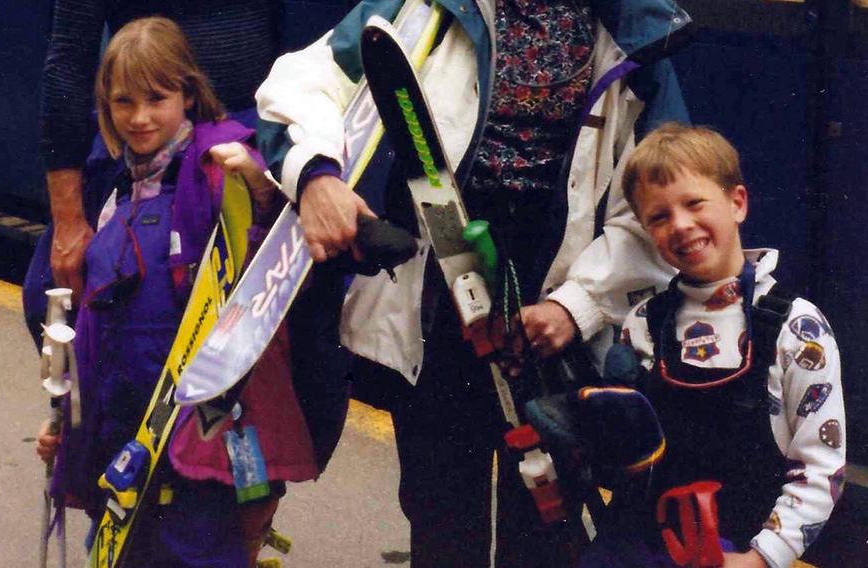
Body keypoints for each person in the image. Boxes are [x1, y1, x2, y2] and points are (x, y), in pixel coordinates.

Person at [254, 0, 692, 564]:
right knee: (441, 517)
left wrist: (577, 304)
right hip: (440, 299)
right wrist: (314, 176)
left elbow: (658, 208)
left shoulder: (639, 35)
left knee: (544, 525)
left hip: (554, 314)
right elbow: (300, 84)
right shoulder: (422, 7)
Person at [34, 17, 319, 566]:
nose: (139, 118)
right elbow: (91, 337)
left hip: (200, 446)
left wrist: (260, 187)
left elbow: (271, 261)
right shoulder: (113, 190)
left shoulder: (219, 171)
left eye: (156, 98)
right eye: (123, 102)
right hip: (123, 442)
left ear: (188, 93)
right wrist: (66, 429)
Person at [579, 123, 846, 568]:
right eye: (659, 217)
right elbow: (628, 457)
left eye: (694, 203)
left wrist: (762, 558)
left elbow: (821, 468)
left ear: (737, 203)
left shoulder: (797, 328)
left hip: (737, 553)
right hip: (634, 546)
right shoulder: (644, 322)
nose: (680, 225)